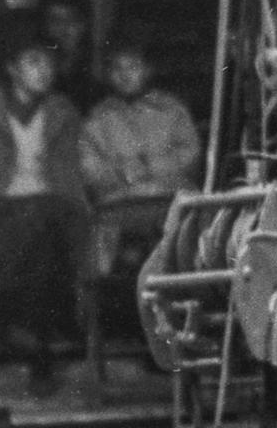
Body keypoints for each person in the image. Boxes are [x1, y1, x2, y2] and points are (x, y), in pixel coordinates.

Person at [0, 36, 90, 392]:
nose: (44, 71)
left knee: (47, 224)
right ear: (12, 68)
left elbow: (79, 169)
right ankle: (37, 342)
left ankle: (30, 339)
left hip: (53, 209)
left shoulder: (63, 112)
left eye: (49, 64)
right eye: (34, 62)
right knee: (35, 232)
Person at [81, 39, 202, 288]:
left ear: (147, 70)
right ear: (107, 75)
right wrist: (122, 173)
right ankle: (106, 296)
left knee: (187, 236)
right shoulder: (98, 119)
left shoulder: (171, 111)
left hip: (168, 198)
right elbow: (88, 167)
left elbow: (190, 153)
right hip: (120, 204)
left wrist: (150, 168)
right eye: (117, 69)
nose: (126, 76)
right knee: (101, 248)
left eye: (133, 67)